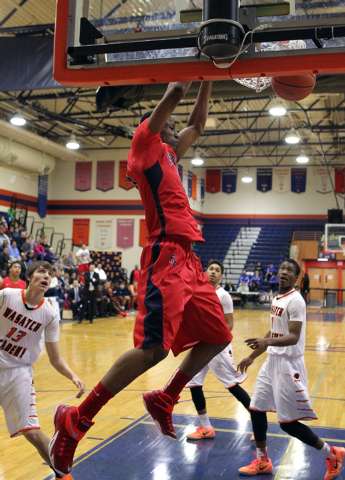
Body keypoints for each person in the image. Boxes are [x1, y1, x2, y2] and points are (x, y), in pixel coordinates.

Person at [48, 77, 232, 477]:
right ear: (154, 124)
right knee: (154, 350)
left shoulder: (168, 153)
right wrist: (197, 64)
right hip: (164, 253)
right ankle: (76, 420)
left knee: (219, 336)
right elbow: (174, 94)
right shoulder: (144, 146)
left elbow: (198, 124)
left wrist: (210, 79)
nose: (174, 124)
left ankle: (166, 397)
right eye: (167, 122)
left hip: (189, 259)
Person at [237, 259, 345, 479]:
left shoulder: (296, 301)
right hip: (272, 361)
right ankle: (262, 460)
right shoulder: (278, 297)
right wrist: (252, 357)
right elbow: (273, 331)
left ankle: (332, 453)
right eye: (283, 269)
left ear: (296, 278)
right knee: (256, 409)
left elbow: (294, 336)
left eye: (290, 271)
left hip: (288, 365)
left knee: (288, 425)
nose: (284, 272)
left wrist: (266, 344)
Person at [0, 260, 85, 480]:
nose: (46, 276)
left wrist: (73, 376)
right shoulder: (7, 295)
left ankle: (63, 474)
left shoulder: (49, 313)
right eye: (41, 272)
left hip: (19, 372)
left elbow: (55, 358)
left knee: (32, 431)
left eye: (50, 274)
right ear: (29, 277)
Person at [185, 260, 251, 440]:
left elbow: (229, 325)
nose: (213, 272)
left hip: (217, 347)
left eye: (217, 270)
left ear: (221, 276)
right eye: (211, 269)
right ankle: (205, 427)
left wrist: (213, 338)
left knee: (232, 385)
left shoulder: (223, 296)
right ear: (205, 272)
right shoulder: (198, 292)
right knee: (193, 382)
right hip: (200, 345)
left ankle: (259, 421)